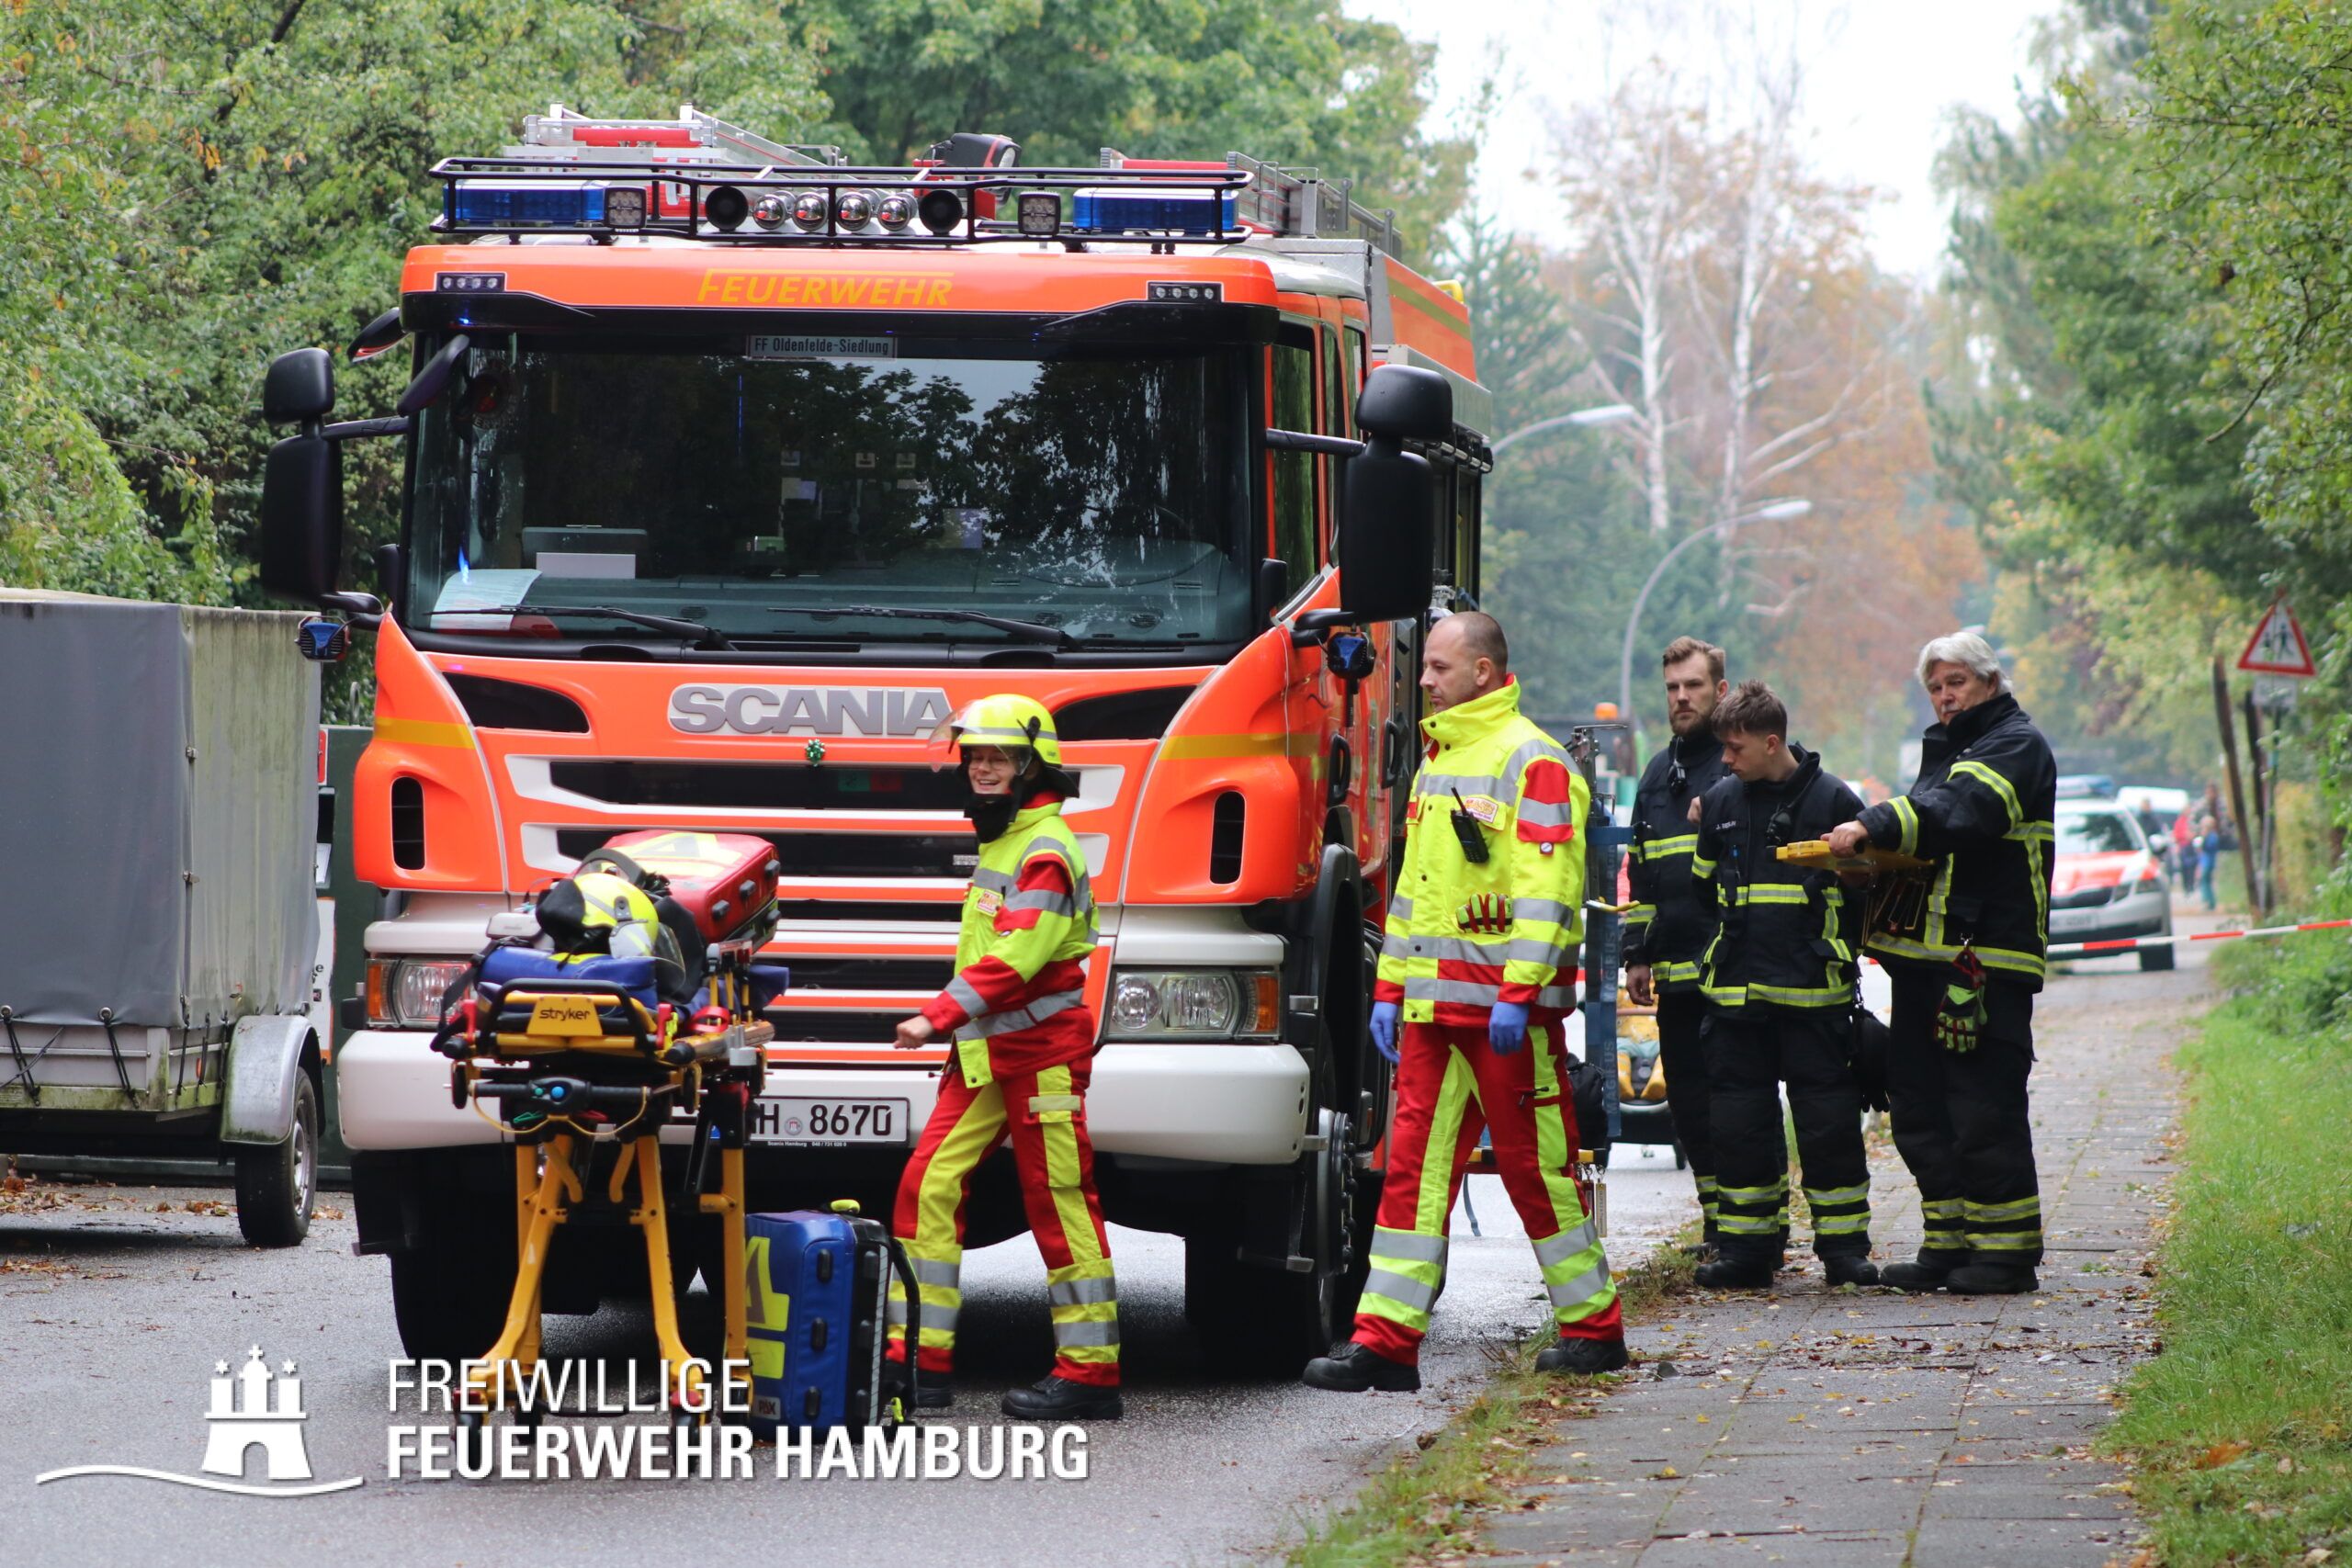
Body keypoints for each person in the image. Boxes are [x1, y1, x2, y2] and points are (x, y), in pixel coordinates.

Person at [1304, 612, 1626, 1393]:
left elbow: (1548, 893)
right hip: (1434, 1016)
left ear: (1482, 671)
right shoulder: (1438, 763)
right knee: (1411, 1175)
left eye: (1438, 668)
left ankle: (1595, 1330)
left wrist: (1520, 993)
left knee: (1537, 1171)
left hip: (1507, 1021)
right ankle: (1384, 1344)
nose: (1423, 680)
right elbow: (1415, 897)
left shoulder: (1534, 762)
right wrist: (1391, 988)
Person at [887, 694, 1121, 1419]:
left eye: (999, 757)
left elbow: (1017, 957)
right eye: (976, 756)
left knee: (1059, 1199)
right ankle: (916, 1362)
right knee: (928, 1185)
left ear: (1033, 766)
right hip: (988, 1053)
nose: (983, 769)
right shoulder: (1008, 839)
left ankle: (1090, 1374)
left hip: (1039, 1053)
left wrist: (936, 1016)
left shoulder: (1044, 849)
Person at [1826, 631, 2056, 1294]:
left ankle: (2005, 1255)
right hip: (1928, 966)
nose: (1945, 696)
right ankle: (1950, 1244)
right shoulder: (1951, 752)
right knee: (1921, 1109)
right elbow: (1928, 843)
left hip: (1984, 965)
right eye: (1935, 686)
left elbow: (1961, 810)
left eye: (1956, 682)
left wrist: (1874, 823)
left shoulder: (2016, 745)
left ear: (1990, 682)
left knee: (1982, 1108)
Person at [1686, 682, 1877, 1290]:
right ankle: (1748, 1251)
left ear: (1772, 743)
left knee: (1829, 1129)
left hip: (1814, 1002)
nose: (1726, 760)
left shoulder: (1835, 801)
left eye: (1736, 748)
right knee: (1739, 1131)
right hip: (1736, 1004)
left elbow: (1866, 893)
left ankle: (1844, 1251)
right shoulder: (1721, 802)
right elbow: (1702, 891)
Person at [1623, 636, 1733, 1255]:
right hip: (1674, 974)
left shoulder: (1738, 765)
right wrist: (1637, 953)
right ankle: (1718, 1225)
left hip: (1733, 973)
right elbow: (1641, 874)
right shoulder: (1657, 775)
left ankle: (1754, 1229)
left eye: (1693, 685)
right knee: (1688, 1104)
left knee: (1736, 1101)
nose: (1681, 697)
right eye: (1672, 688)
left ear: (1721, 690)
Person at [2196, 813, 2222, 910]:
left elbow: (2208, 847)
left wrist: (2204, 838)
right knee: (2206, 881)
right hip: (2205, 862)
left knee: (2205, 881)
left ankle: (2209, 902)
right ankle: (2209, 902)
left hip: (2209, 863)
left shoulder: (2212, 837)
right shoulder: (2209, 836)